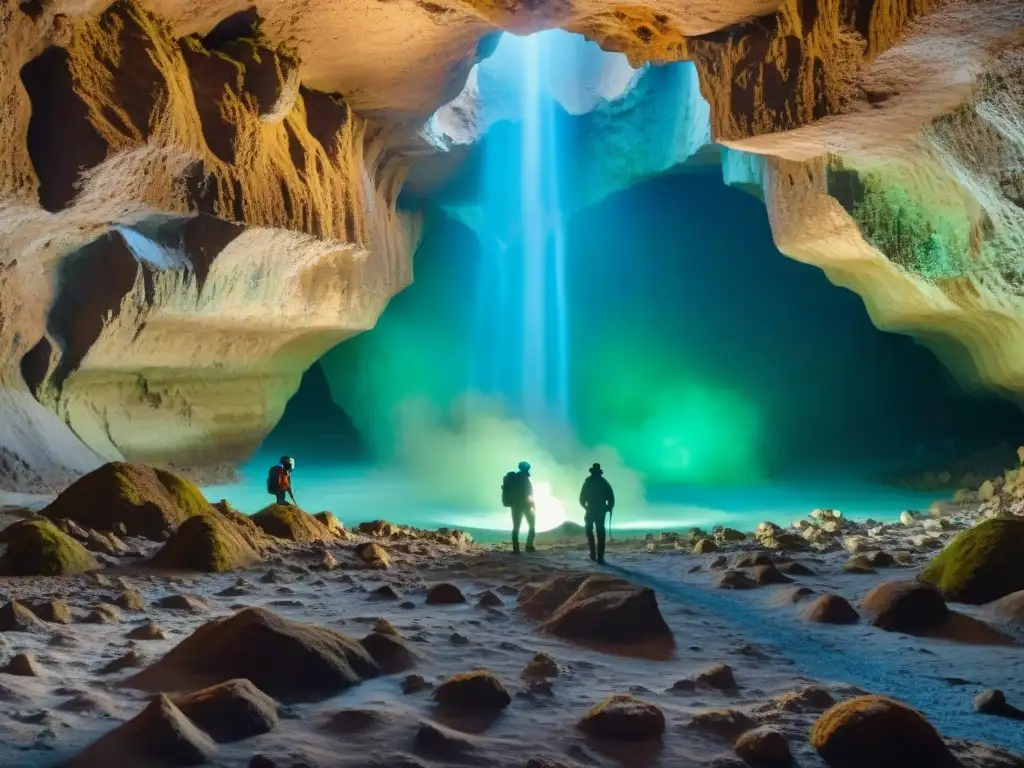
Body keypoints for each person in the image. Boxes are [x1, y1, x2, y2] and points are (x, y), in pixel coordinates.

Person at [579, 463, 614, 564]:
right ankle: (599, 556)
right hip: (599, 511)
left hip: (591, 510)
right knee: (600, 532)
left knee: (591, 531)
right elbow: (611, 497)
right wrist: (608, 507)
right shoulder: (604, 483)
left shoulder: (588, 483)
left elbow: (581, 499)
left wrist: (586, 507)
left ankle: (594, 554)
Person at [502, 461, 536, 554]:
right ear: (526, 469)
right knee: (531, 526)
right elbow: (529, 493)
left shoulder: (514, 478)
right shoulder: (525, 479)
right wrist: (533, 505)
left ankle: (516, 549)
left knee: (516, 528)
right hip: (526, 506)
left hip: (516, 506)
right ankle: (529, 546)